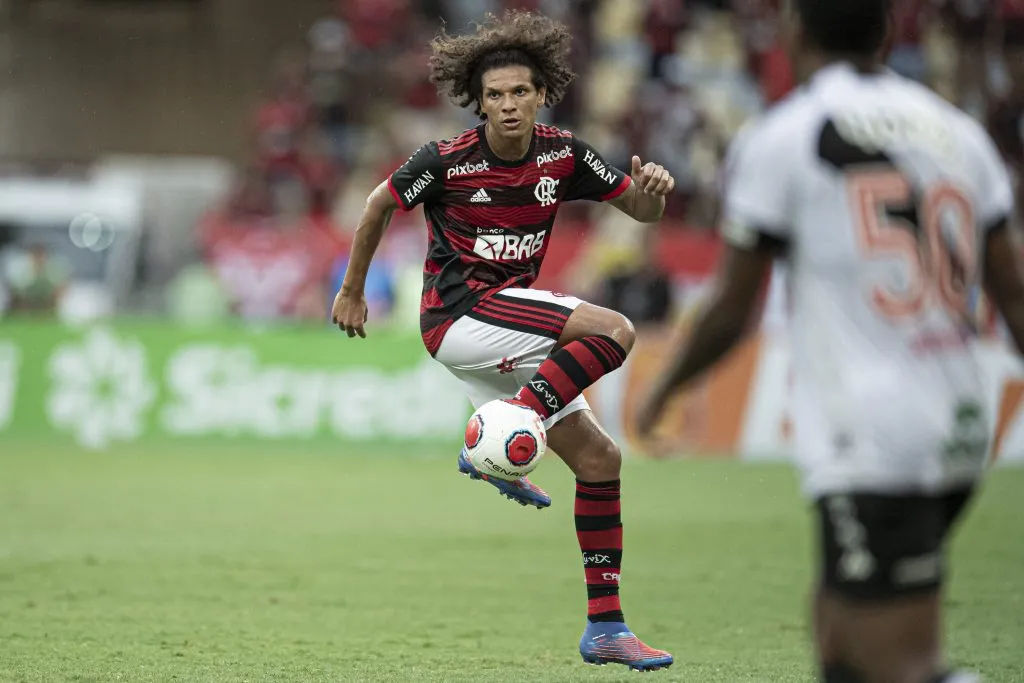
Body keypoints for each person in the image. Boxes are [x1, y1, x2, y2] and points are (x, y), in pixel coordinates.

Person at [636, 0, 1024, 681]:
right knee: (839, 640)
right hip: (964, 418)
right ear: (886, 34)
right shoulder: (958, 133)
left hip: (873, 434)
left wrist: (663, 386)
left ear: (794, 32)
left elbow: (732, 308)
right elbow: (1013, 295)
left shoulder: (787, 135)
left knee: (898, 660)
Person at [330, 9, 676, 673]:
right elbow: (377, 205)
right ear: (478, 102)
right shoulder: (446, 161)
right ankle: (511, 425)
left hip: (507, 329)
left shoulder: (563, 155)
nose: (509, 104)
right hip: (459, 317)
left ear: (541, 93)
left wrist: (655, 193)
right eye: (495, 95)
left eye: (520, 91)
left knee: (601, 461)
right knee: (615, 330)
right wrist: (352, 290)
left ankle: (606, 627)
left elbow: (639, 209)